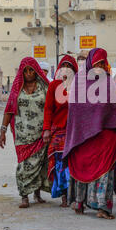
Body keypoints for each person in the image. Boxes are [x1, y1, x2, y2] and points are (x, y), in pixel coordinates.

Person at [63, 48, 116, 220]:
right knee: (82, 167)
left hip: (105, 135)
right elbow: (75, 108)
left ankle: (103, 207)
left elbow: (112, 107)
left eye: (103, 63)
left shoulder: (109, 81)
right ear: (90, 64)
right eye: (97, 63)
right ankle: (79, 201)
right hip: (83, 136)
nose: (100, 67)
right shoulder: (79, 81)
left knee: (106, 171)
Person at [0, 57, 51, 208]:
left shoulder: (45, 88)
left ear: (36, 71)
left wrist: (50, 129)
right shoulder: (17, 89)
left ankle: (37, 193)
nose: (28, 74)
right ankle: (24, 196)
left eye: (31, 70)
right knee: (24, 165)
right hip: (22, 135)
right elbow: (9, 110)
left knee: (41, 164)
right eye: (25, 71)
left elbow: (51, 108)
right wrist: (2, 131)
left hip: (42, 134)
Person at [43, 55, 78, 207]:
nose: (66, 69)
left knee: (74, 163)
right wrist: (46, 130)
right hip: (59, 130)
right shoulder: (54, 86)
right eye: (63, 66)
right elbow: (48, 109)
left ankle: (75, 195)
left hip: (75, 130)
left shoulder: (79, 86)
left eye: (69, 66)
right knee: (61, 164)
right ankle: (64, 195)